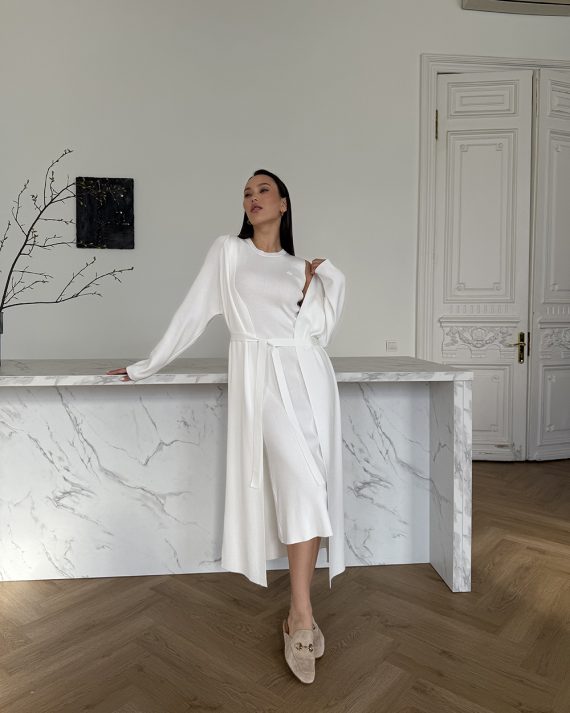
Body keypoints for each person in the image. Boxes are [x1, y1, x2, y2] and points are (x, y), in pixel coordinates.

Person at [107, 169, 346, 684]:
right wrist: (146, 365)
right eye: (246, 193)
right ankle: (301, 616)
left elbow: (319, 333)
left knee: (312, 490)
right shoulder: (229, 252)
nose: (252, 198)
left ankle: (299, 613)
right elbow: (191, 314)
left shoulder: (298, 267)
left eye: (263, 190)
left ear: (284, 204)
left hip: (309, 380)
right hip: (263, 382)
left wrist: (322, 280)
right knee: (304, 486)